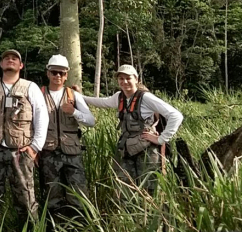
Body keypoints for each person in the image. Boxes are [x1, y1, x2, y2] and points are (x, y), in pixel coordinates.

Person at [0, 49, 48, 228]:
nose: (10, 60)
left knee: (26, 199)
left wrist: (35, 147)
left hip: (21, 152)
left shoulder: (30, 87)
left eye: (14, 58)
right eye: (6, 58)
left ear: (21, 65)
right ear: (1, 64)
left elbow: (42, 117)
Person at [84, 64, 183, 195]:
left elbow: (176, 115)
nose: (124, 82)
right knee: (124, 189)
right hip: (126, 149)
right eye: (121, 78)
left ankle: (150, 208)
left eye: (128, 78)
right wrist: (79, 97)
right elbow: (102, 102)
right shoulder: (119, 97)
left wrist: (161, 139)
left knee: (149, 190)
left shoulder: (146, 97)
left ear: (136, 79)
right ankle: (127, 208)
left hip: (146, 150)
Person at [39, 54, 95, 225]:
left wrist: (74, 112)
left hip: (72, 152)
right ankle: (54, 227)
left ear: (66, 75)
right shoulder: (38, 94)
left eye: (61, 73)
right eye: (54, 72)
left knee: (78, 193)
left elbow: (91, 121)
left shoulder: (73, 95)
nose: (57, 76)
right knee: (51, 194)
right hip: (48, 152)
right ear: (48, 73)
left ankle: (80, 226)